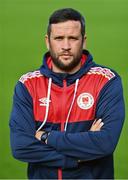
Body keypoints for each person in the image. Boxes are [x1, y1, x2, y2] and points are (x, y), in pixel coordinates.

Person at [10, 8, 125, 179]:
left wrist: (45, 136)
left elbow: (105, 143)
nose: (66, 46)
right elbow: (21, 147)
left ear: (83, 41)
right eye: (59, 38)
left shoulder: (106, 81)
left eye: (72, 38)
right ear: (47, 42)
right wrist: (77, 157)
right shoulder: (28, 85)